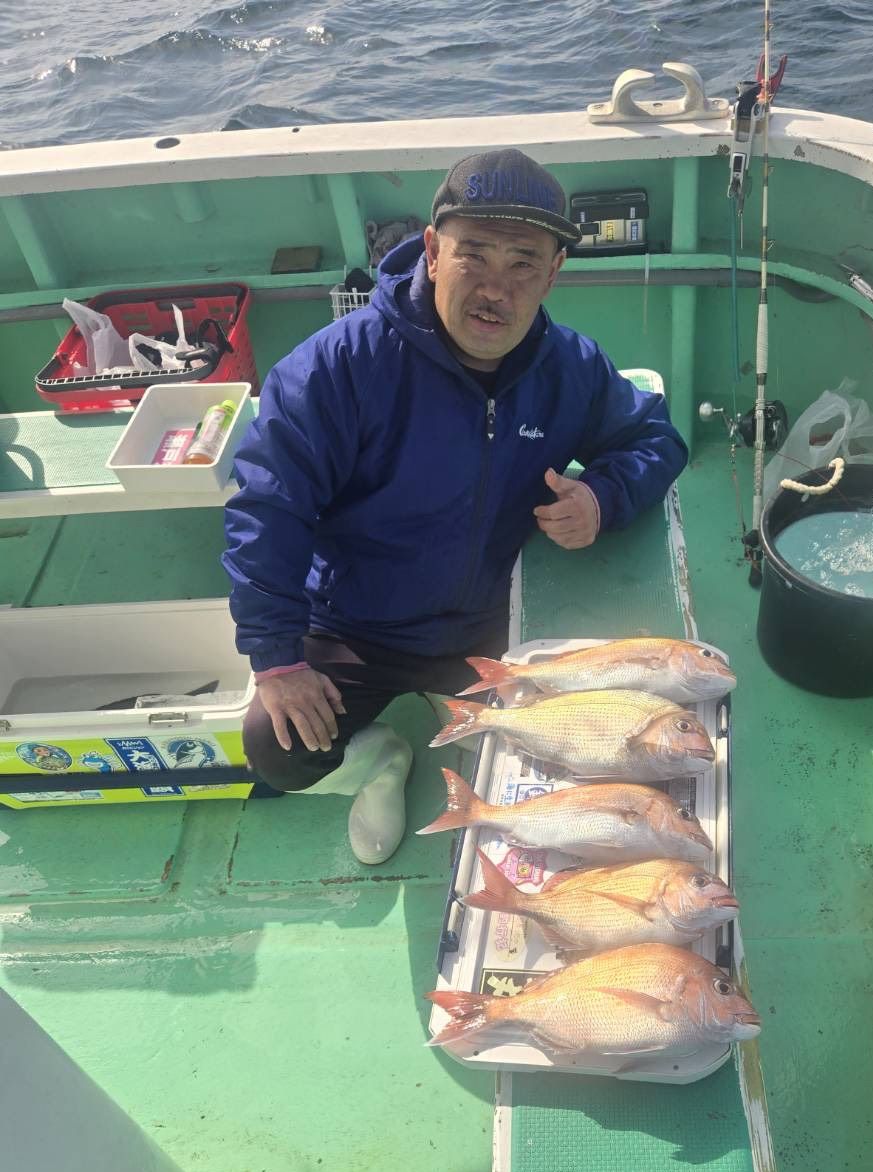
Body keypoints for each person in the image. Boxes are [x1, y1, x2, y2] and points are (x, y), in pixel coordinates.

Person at [224, 148, 688, 863]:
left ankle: (472, 717)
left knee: (602, 749)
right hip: (357, 623)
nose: (496, 290)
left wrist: (603, 496)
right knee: (274, 747)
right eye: (474, 254)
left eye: (524, 263)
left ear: (554, 273)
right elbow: (267, 505)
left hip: (492, 623)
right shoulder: (336, 367)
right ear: (433, 252)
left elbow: (655, 438)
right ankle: (380, 762)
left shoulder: (569, 368)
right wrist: (277, 658)